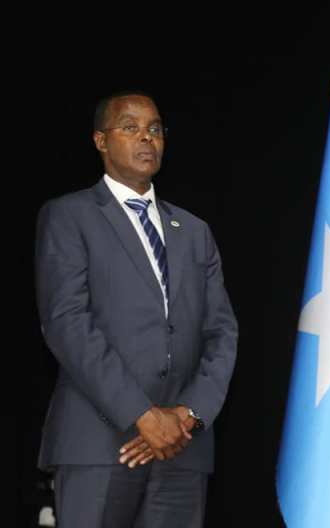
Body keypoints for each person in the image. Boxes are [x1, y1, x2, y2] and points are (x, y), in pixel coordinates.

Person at [34, 91, 238, 527]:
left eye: (155, 129)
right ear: (100, 141)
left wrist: (188, 415)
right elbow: (67, 323)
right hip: (101, 442)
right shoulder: (69, 216)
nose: (147, 138)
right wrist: (142, 416)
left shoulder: (194, 230)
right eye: (130, 127)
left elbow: (222, 332)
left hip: (183, 448)